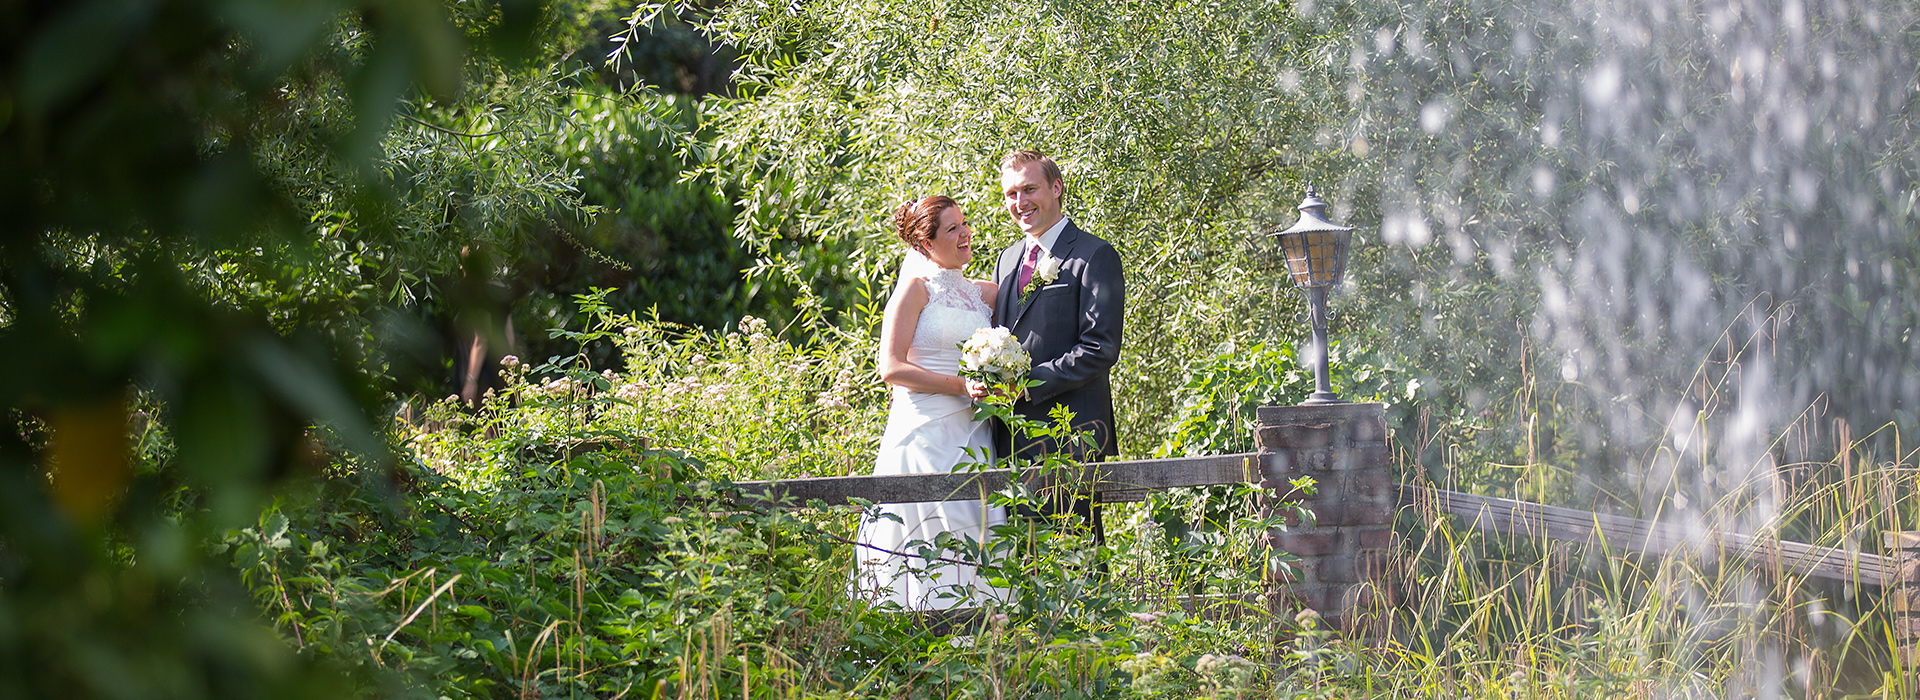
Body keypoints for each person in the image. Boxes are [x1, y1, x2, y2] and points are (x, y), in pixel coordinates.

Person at [851, 195, 1008, 610]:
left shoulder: (987, 295)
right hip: (922, 430)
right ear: (925, 242)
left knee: (973, 524)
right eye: (952, 229)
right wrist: (958, 385)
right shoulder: (914, 291)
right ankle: (913, 631)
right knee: (922, 525)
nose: (965, 233)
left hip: (971, 430)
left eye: (965, 223)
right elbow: (891, 368)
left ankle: (979, 638)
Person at [990, 150, 1125, 544]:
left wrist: (1027, 384)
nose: (1020, 203)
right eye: (1011, 194)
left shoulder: (1094, 255)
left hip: (1072, 434)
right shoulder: (1007, 259)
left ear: (1056, 188)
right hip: (1010, 436)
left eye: (1029, 189)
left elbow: (1100, 348)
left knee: (1075, 557)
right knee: (1020, 560)